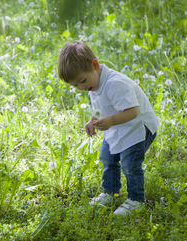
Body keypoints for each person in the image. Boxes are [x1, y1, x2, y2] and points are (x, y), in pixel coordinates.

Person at [58, 41, 159, 216]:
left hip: (138, 128)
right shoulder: (93, 83)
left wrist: (111, 121)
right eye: (76, 86)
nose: (81, 88)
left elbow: (133, 111)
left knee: (129, 163)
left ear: (95, 65)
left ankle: (136, 200)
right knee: (108, 158)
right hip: (118, 126)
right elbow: (100, 106)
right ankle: (112, 193)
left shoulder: (116, 84)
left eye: (82, 81)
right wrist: (93, 120)